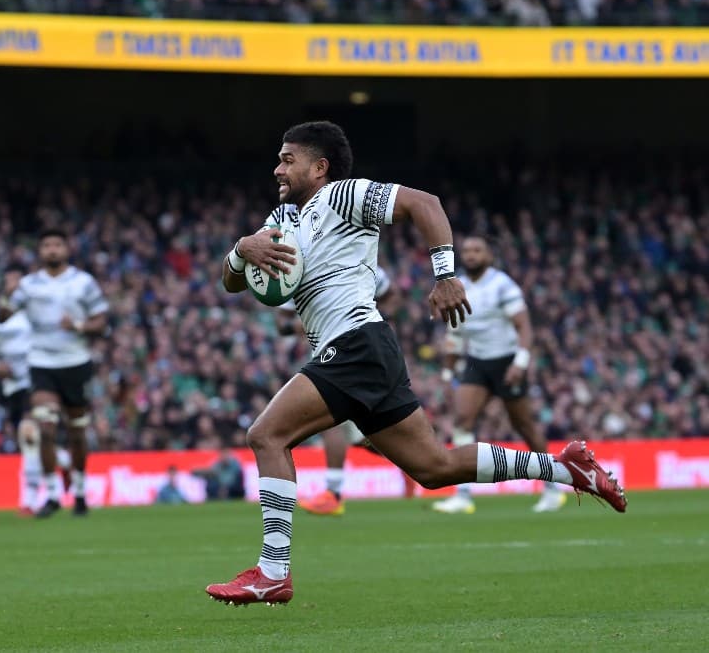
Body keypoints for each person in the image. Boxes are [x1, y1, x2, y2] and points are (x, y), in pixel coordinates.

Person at [206, 121, 626, 607]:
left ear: (319, 168)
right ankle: (566, 468)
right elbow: (233, 282)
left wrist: (445, 275)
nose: (278, 167)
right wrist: (241, 250)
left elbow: (425, 204)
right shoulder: (283, 216)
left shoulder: (343, 195)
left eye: (287, 159)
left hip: (356, 343)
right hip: (361, 351)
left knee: (266, 434)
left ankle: (273, 572)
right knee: (434, 467)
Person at [433, 235, 566, 514]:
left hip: (506, 362)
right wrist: (447, 372)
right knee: (462, 420)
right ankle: (464, 496)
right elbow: (455, 334)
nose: (470, 254)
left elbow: (525, 326)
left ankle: (553, 487)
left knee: (524, 426)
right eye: (467, 250)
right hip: (478, 362)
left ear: (488, 256)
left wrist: (520, 362)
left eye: (477, 250)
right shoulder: (459, 286)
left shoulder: (502, 284)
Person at [0, 229, 110, 518]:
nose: (52, 250)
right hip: (42, 363)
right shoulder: (28, 284)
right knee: (45, 427)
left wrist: (78, 326)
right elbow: (2, 317)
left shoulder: (83, 282)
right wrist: (6, 296)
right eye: (46, 244)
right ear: (40, 250)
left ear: (66, 249)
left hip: (76, 363)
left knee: (76, 432)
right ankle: (51, 494)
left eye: (57, 245)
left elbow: (101, 322)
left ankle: (81, 493)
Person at [296, 267, 398, 516]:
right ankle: (411, 463)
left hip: (353, 352)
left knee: (328, 421)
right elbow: (281, 323)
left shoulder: (362, 263)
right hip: (327, 355)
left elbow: (391, 296)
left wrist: (375, 318)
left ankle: (333, 493)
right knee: (361, 438)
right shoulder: (298, 269)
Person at [0, 264, 38, 515]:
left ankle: (30, 498)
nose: (12, 285)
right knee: (28, 440)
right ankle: (64, 462)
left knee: (28, 432)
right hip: (11, 384)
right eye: (8, 280)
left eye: (16, 280)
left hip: (36, 379)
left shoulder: (35, 312)